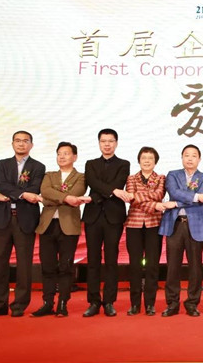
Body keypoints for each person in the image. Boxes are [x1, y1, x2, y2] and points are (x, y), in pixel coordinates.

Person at [0, 130, 45, 318]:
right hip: (2, 219)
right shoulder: (2, 164)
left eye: (25, 141)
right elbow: (1, 184)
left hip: (25, 220)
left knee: (24, 266)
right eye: (17, 140)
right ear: (12, 144)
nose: (21, 144)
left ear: (31, 145)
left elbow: (35, 188)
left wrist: (10, 194)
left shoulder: (38, 167)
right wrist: (23, 194)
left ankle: (19, 305)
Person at [31, 142, 91, 317]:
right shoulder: (49, 175)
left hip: (69, 226)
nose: (62, 157)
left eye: (66, 153)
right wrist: (65, 198)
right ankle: (47, 303)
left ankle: (63, 303)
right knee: (47, 266)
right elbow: (45, 191)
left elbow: (75, 194)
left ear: (75, 157)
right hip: (47, 225)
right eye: (59, 154)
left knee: (66, 266)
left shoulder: (81, 177)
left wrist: (48, 199)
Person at [82, 128, 131, 317]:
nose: (107, 144)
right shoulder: (91, 164)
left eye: (110, 141)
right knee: (93, 260)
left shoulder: (124, 164)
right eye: (103, 141)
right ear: (99, 143)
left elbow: (118, 183)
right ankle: (93, 301)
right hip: (93, 216)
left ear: (116, 143)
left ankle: (109, 301)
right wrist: (112, 192)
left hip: (113, 216)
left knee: (111, 260)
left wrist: (101, 194)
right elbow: (92, 182)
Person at [159, 144, 203, 317]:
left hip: (195, 224)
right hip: (175, 224)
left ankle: (192, 303)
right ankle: (172, 303)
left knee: (195, 267)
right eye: (187, 155)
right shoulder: (173, 175)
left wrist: (176, 203)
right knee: (172, 266)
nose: (190, 158)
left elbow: (201, 199)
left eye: (194, 155)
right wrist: (195, 197)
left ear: (199, 159)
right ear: (182, 158)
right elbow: (174, 192)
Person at [124, 147, 173, 316]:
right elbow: (131, 198)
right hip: (134, 225)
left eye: (150, 158)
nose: (146, 161)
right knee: (135, 265)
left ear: (155, 161)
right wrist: (155, 205)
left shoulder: (161, 178)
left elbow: (158, 195)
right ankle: (135, 304)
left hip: (154, 225)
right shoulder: (131, 178)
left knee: (152, 265)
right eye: (143, 158)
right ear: (139, 160)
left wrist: (138, 197)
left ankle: (150, 304)